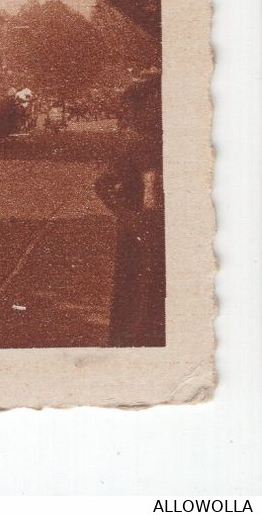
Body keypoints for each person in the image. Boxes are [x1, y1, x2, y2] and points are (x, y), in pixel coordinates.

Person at [96, 73, 165, 346]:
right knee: (135, 294)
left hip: (156, 230)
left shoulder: (162, 142)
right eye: (152, 105)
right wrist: (129, 218)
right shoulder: (136, 145)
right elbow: (102, 184)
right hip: (138, 233)